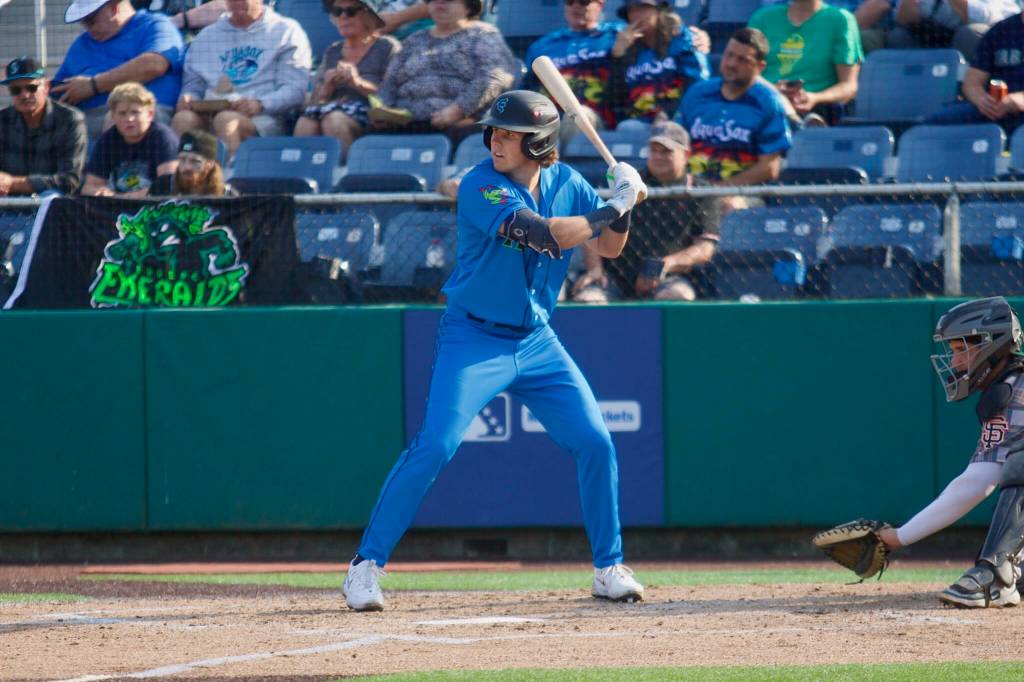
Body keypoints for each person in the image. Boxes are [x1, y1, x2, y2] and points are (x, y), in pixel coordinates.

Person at [341, 90, 648, 612]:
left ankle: (608, 567)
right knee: (435, 445)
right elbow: (547, 237)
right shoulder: (480, 183)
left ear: (541, 142)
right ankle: (364, 567)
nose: (496, 141)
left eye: (509, 135)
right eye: (495, 132)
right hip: (474, 337)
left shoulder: (567, 183)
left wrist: (622, 208)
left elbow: (610, 248)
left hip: (537, 340)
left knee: (596, 442)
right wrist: (617, 202)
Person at [869, 297, 1024, 608]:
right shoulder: (1010, 386)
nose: (955, 363)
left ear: (991, 343)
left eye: (960, 350)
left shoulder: (1016, 390)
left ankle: (997, 577)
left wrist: (898, 537)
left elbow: (978, 482)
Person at [572, 121, 748, 303]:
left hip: (669, 277)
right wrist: (595, 269)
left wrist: (663, 266)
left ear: (686, 155)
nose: (658, 156)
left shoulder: (701, 191)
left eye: (666, 151)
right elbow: (593, 230)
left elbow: (705, 248)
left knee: (678, 295)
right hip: (615, 275)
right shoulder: (629, 184)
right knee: (588, 298)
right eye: (654, 150)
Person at [171, 0, 312, 155]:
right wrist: (188, 97)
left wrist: (260, 104)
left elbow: (295, 89)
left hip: (262, 117)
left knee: (226, 120)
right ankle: (180, 175)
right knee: (183, 119)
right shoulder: (207, 36)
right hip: (210, 111)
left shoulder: (285, 31)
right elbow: (193, 84)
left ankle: (228, 177)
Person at [370, 0, 516, 143]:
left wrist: (459, 110)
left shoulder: (483, 34)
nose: (440, 3)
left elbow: (495, 77)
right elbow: (389, 82)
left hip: (458, 124)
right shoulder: (414, 40)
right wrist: (383, 110)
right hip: (404, 124)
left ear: (468, 6)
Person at [674, 28, 792, 186]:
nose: (731, 64)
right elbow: (675, 143)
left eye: (742, 60)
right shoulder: (697, 93)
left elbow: (770, 167)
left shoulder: (768, 103)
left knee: (731, 205)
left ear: (760, 67)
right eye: (729, 55)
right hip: (691, 187)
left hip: (742, 192)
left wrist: (719, 190)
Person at [54, 0, 184, 139]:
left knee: (116, 118)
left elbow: (154, 64)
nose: (87, 28)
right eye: (83, 22)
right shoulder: (82, 43)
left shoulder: (155, 25)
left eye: (91, 21)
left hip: (140, 115)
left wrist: (93, 85)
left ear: (114, 8)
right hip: (83, 119)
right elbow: (57, 88)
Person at [293, 0, 400, 154]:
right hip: (333, 110)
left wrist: (357, 83)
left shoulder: (386, 46)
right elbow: (314, 102)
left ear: (368, 16)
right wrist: (326, 89)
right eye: (337, 11)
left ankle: (345, 174)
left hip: (373, 116)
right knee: (305, 123)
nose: (343, 16)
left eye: (351, 11)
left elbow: (393, 95)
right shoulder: (333, 51)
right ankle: (303, 175)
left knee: (334, 120)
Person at [748, 0, 863, 125]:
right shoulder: (762, 18)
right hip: (763, 104)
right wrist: (773, 90)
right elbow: (745, 71)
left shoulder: (841, 20)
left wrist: (814, 98)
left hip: (819, 110)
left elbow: (849, 86)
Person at [925, 10, 1024, 135]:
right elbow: (973, 80)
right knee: (934, 124)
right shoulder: (1002, 30)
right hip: (992, 111)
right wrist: (981, 100)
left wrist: (1020, 99)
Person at [610, 0, 709, 124]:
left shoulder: (682, 38)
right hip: (639, 123)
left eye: (643, 8)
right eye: (632, 10)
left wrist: (670, 113)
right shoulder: (625, 47)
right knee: (628, 127)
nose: (637, 15)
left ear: (659, 10)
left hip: (679, 120)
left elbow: (697, 85)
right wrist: (617, 57)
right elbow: (616, 98)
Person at [0, 57, 87, 196]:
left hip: (52, 206)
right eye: (16, 90)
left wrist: (13, 183)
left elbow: (70, 181)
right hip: (8, 204)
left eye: (31, 87)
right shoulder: (2, 121)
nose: (25, 95)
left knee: (50, 195)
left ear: (46, 87)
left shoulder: (70, 120)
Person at [82, 82, 178, 196]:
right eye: (122, 113)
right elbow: (90, 186)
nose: (129, 119)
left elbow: (169, 185)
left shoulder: (163, 137)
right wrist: (101, 192)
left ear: (150, 114)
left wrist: (130, 197)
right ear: (113, 116)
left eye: (135, 112)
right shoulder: (107, 140)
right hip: (117, 205)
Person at [890, 0, 1019, 56]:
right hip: (939, 36)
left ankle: (966, 89)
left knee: (969, 33)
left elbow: (986, 17)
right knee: (899, 35)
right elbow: (903, 19)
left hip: (1000, 41)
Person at [150, 129, 234, 195]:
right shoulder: (162, 187)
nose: (187, 167)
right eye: (182, 159)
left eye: (195, 161)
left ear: (210, 164)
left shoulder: (226, 196)